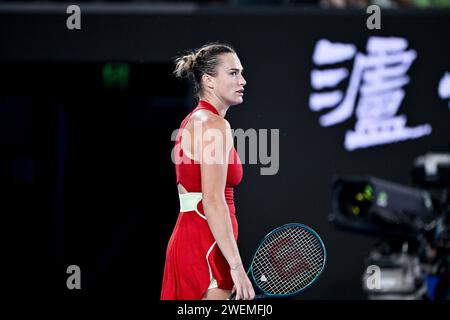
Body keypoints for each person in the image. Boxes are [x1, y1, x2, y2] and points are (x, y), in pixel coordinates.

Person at [160, 43, 255, 300]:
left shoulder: (194, 120)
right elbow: (213, 200)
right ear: (208, 81)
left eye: (241, 73)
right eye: (233, 73)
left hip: (198, 240)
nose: (242, 80)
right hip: (206, 246)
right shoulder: (214, 124)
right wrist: (236, 266)